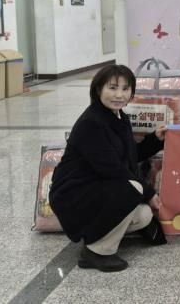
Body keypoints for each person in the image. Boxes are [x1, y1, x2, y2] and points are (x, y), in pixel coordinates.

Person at [49, 65, 168, 272]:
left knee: (143, 215)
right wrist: (149, 193)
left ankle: (96, 235)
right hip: (74, 193)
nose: (119, 95)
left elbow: (129, 156)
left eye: (125, 89)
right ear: (98, 90)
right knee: (133, 189)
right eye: (112, 88)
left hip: (97, 187)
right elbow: (113, 169)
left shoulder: (118, 117)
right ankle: (96, 252)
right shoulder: (91, 123)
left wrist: (155, 140)